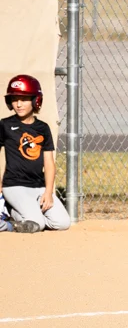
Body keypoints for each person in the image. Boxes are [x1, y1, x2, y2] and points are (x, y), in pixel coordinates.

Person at [1, 74, 70, 233]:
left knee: (62, 223)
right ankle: (12, 211)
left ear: (35, 100)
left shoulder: (43, 128)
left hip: (38, 186)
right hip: (14, 186)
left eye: (24, 99)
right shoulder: (5, 125)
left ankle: (20, 212)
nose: (18, 104)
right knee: (37, 224)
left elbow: (49, 162)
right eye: (14, 99)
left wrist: (48, 191)